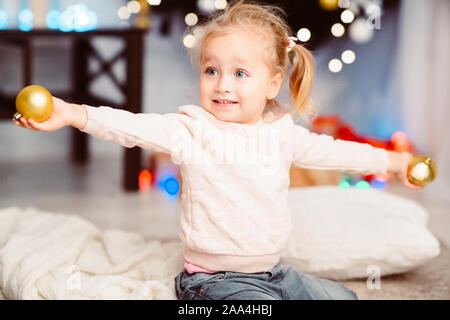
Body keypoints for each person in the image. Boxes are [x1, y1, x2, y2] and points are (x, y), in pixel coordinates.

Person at [13, 0, 420, 300]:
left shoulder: (282, 133)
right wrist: (71, 113)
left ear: (273, 83)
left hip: (273, 271)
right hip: (212, 280)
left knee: (346, 299)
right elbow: (130, 127)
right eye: (212, 71)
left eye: (241, 73)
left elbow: (337, 153)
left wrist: (395, 162)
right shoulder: (191, 130)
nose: (223, 84)